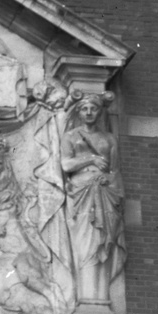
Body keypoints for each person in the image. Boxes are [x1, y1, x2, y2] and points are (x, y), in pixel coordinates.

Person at [60, 91, 124, 303]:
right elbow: (66, 164)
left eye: (93, 108)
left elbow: (115, 171)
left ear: (99, 111)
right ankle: (88, 298)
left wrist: (109, 182)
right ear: (79, 111)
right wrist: (90, 159)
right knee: (86, 245)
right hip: (82, 194)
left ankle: (99, 298)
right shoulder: (71, 137)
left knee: (102, 243)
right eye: (84, 108)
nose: (89, 112)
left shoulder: (109, 138)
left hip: (105, 196)